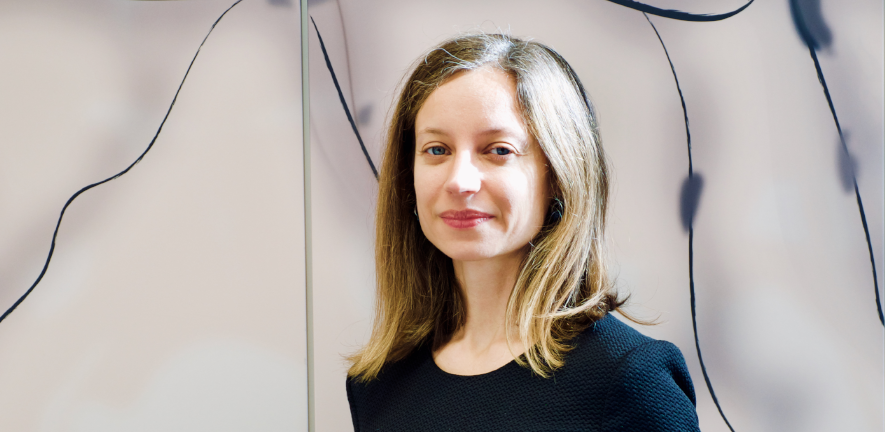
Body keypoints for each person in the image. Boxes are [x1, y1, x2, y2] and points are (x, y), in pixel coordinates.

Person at [345, 33, 699, 431]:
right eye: (437, 150)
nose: (460, 181)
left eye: (498, 150)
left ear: (560, 176)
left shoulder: (630, 378)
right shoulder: (378, 382)